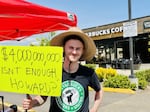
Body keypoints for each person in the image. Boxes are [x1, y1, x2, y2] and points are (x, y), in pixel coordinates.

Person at [22, 27, 103, 112]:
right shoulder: (53, 72)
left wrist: (94, 109)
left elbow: (99, 90)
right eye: (71, 47)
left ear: (82, 51)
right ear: (64, 48)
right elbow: (43, 96)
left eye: (78, 48)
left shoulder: (88, 73)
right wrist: (32, 103)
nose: (74, 52)